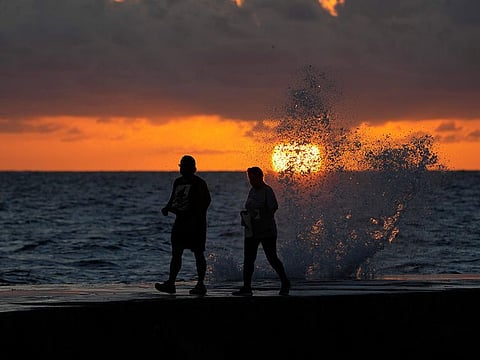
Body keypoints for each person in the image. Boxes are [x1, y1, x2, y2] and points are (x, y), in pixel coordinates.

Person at [155, 155, 211, 296]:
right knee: (176, 252)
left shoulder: (199, 183)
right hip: (180, 222)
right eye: (181, 166)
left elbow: (206, 202)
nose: (182, 169)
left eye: (185, 166)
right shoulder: (178, 182)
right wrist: (167, 208)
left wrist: (194, 216)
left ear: (193, 168)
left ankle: (200, 284)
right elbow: (173, 199)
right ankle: (171, 283)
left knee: (198, 253)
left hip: (196, 224)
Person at [232, 166, 291, 296]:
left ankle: (285, 282)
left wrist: (263, 220)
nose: (251, 181)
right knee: (248, 259)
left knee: (271, 257)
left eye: (253, 178)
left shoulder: (267, 191)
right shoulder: (252, 191)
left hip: (266, 230)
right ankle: (247, 287)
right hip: (251, 229)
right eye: (249, 179)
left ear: (260, 177)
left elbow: (273, 208)